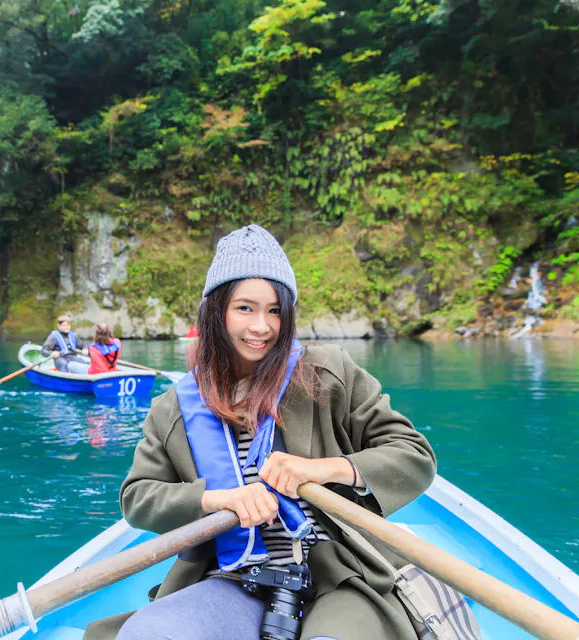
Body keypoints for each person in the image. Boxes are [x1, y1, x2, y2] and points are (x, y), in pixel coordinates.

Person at [85, 225, 436, 640]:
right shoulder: (173, 408)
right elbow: (137, 498)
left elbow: (414, 454)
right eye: (245, 309)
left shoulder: (328, 372)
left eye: (274, 310)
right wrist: (217, 500)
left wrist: (325, 469)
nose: (262, 326)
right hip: (231, 576)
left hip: (340, 574)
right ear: (216, 311)